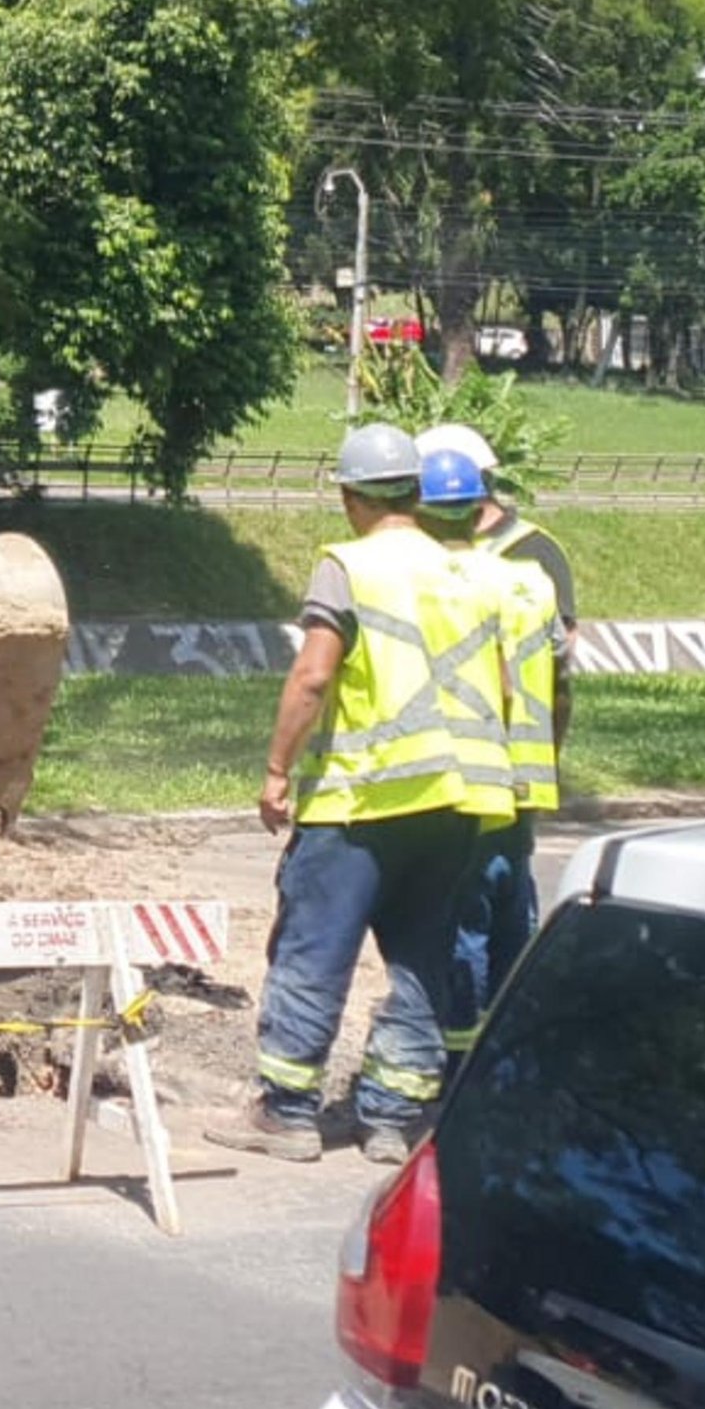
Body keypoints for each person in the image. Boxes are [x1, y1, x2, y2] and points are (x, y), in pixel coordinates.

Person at [206, 423, 516, 1166]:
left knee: (314, 952)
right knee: (421, 962)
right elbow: (503, 689)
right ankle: (389, 1119)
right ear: (414, 491)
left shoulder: (349, 565)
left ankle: (286, 1112)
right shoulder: (471, 572)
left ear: (351, 497)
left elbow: (314, 675)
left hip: (361, 803)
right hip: (455, 804)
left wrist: (276, 771)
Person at [417, 421, 572, 1024]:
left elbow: (534, 676)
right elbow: (557, 677)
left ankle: (465, 1044)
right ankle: (506, 1029)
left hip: (475, 772)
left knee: (472, 918)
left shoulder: (524, 558)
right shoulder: (527, 568)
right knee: (508, 904)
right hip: (518, 770)